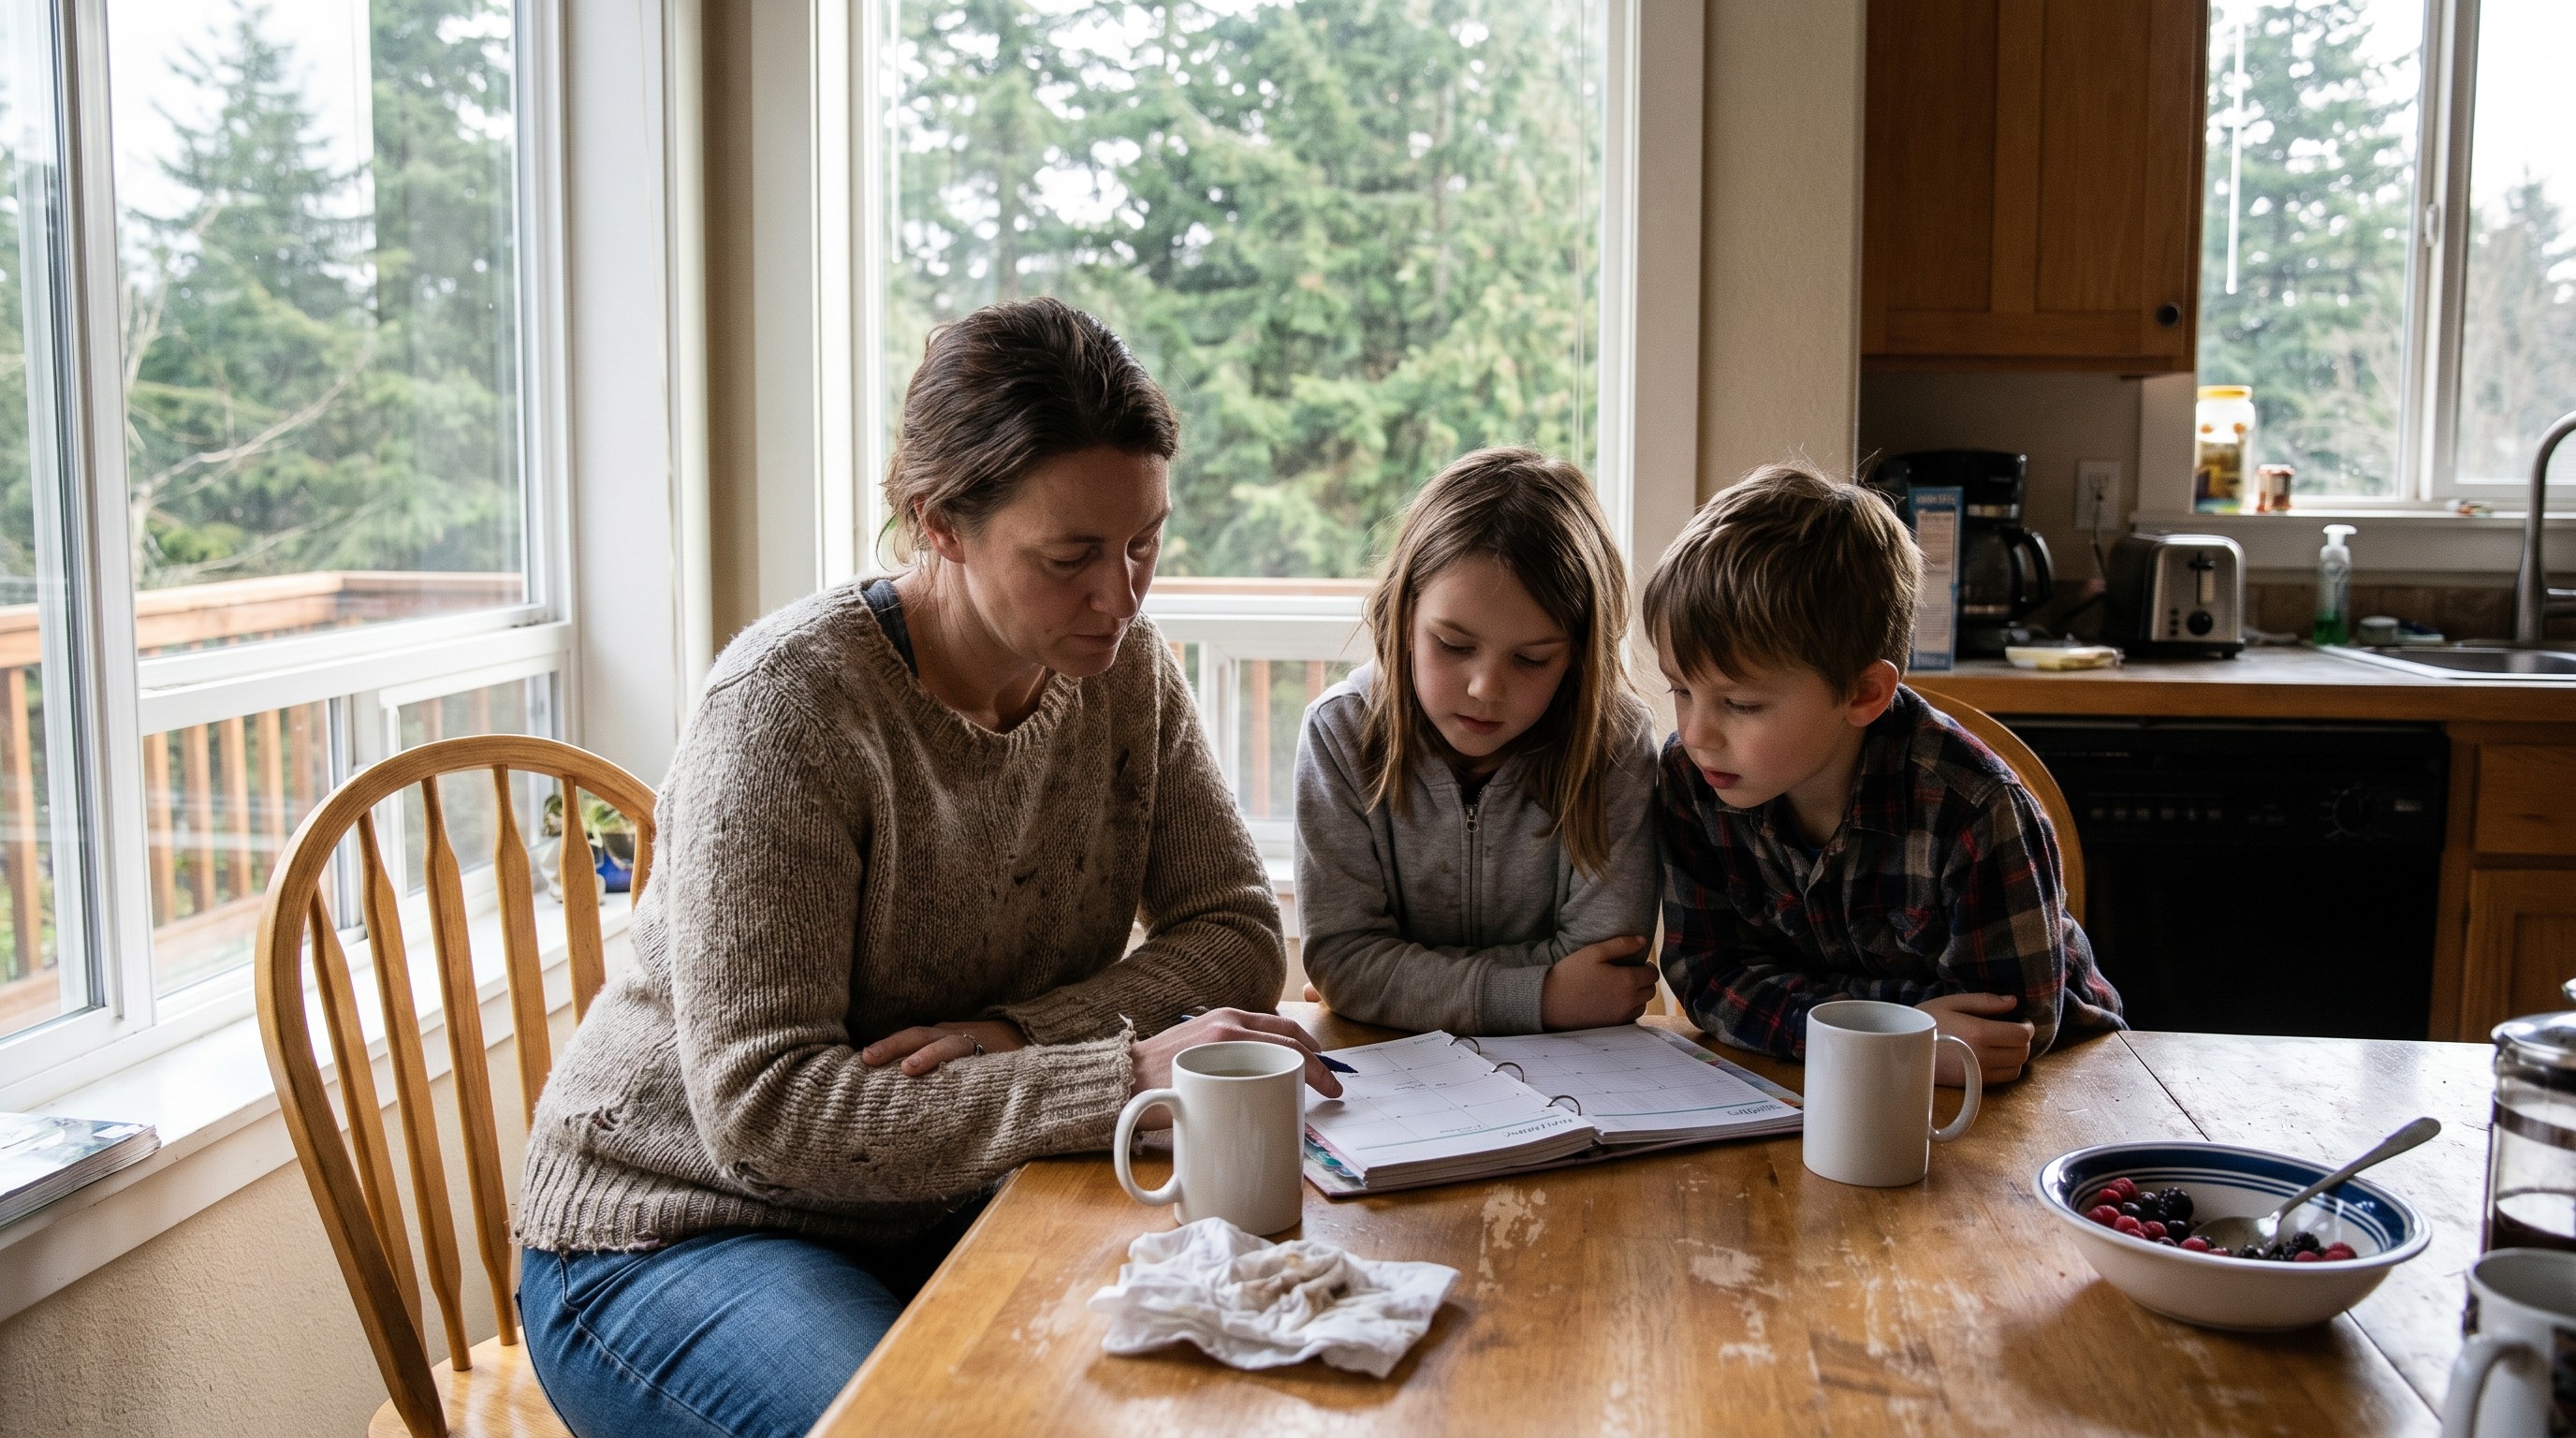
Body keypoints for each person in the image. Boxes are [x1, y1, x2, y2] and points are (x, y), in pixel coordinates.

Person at [513, 297, 1339, 1438]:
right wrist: (1111, 1077)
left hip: (959, 1199)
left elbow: (1234, 934)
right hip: (684, 1228)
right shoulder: (788, 709)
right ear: (939, 523)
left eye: (1144, 541)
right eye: (1070, 557)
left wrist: (1014, 1036)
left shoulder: (1124, 670)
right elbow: (765, 1112)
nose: (1120, 595)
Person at [1644, 464, 2123, 1085]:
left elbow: (2005, 1030)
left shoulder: (1975, 808)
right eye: (1681, 690)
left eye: (1741, 704)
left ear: (1864, 693)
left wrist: (1809, 1008)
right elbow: (1708, 978)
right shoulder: (1694, 780)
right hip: (1847, 1076)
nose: (1696, 733)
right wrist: (1894, 1027)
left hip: (2056, 1087)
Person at [1294, 448, 1661, 1035]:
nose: (1486, 689)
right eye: (1454, 646)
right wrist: (1544, 996)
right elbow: (1346, 962)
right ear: (1403, 617)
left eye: (1532, 659)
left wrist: (1395, 984)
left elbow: (1607, 967)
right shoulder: (1339, 734)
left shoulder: (1615, 744)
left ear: (1577, 655)